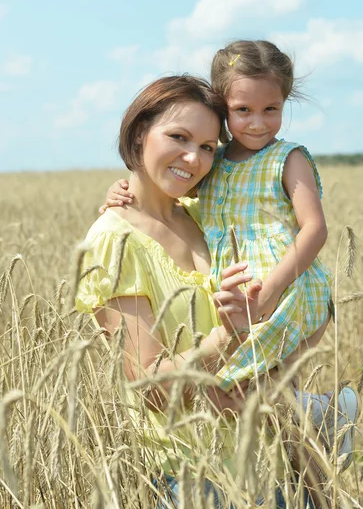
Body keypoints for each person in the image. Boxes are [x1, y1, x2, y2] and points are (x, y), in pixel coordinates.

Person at [76, 74, 340, 508]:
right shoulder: (113, 240)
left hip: (271, 459)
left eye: (206, 146)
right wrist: (227, 336)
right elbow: (150, 387)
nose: (193, 158)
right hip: (198, 477)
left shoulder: (207, 217)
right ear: (140, 131)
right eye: (178, 137)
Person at [101, 40, 334, 393]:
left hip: (286, 284)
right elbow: (169, 191)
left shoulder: (287, 158)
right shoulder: (212, 160)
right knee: (246, 391)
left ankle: (320, 421)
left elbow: (315, 228)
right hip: (241, 291)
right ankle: (317, 420)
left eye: (271, 108)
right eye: (243, 110)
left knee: (240, 389)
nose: (258, 123)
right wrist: (119, 193)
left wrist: (268, 295)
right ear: (223, 107)